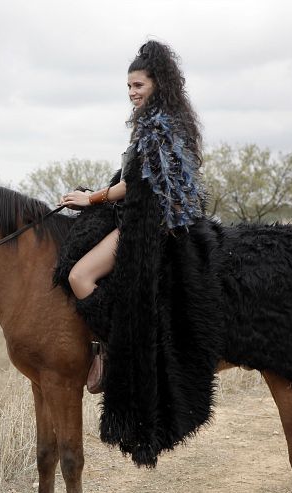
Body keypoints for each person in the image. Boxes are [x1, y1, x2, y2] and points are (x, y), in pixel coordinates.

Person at [60, 40, 204, 393]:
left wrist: (91, 198)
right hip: (147, 217)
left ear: (159, 84)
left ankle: (117, 352)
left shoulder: (159, 126)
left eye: (138, 85)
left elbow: (140, 183)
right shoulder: (161, 122)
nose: (131, 93)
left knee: (80, 276)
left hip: (147, 224)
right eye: (128, 86)